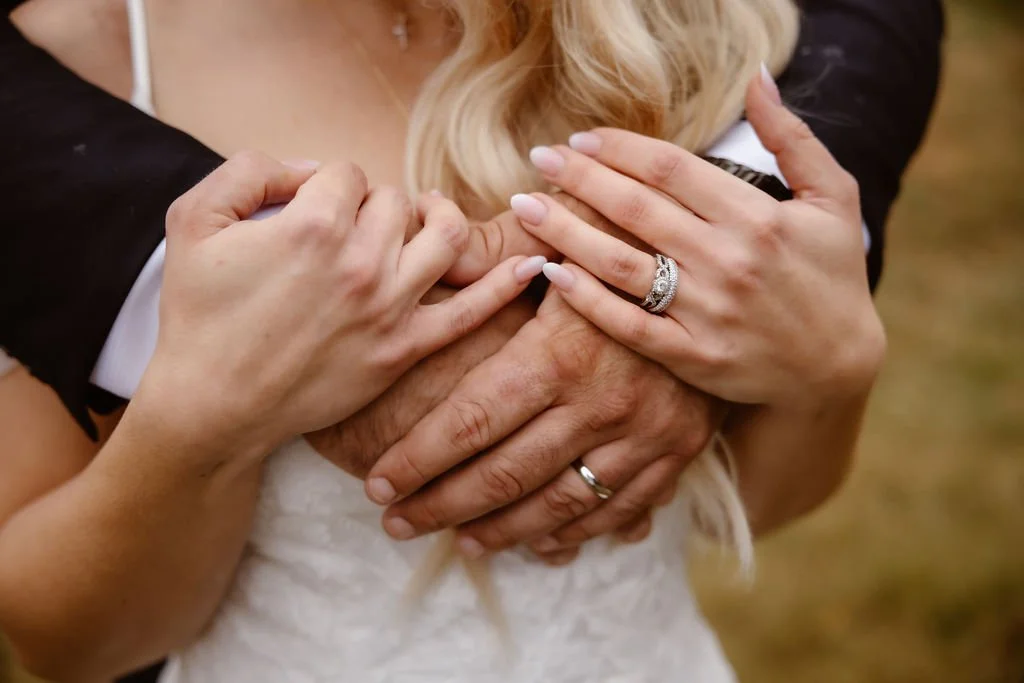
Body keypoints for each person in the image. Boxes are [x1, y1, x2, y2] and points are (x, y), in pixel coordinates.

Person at [0, 1, 943, 682]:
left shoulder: (692, 28)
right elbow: (74, 645)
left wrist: (831, 370)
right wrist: (198, 421)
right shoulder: (87, 53)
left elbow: (759, 504)